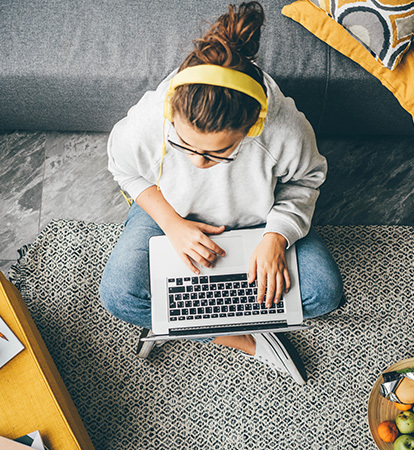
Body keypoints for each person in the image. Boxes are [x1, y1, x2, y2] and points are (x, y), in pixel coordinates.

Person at [99, 1, 343, 385]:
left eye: (217, 154)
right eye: (184, 145)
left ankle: (192, 320)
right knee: (119, 295)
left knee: (325, 294)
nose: (197, 163)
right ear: (171, 111)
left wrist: (276, 236)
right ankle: (242, 338)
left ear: (253, 126)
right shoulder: (151, 119)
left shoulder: (285, 130)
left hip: (260, 216)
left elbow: (307, 180)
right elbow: (124, 169)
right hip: (171, 211)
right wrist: (172, 224)